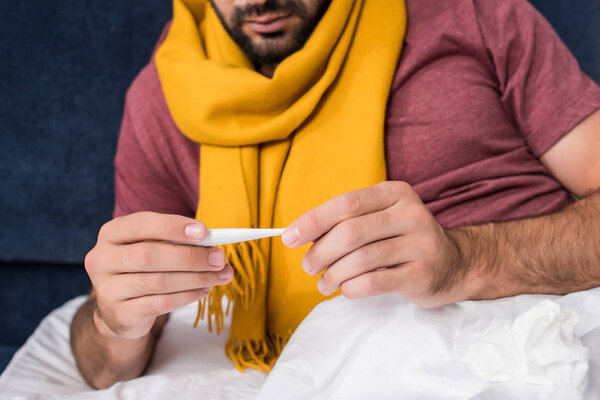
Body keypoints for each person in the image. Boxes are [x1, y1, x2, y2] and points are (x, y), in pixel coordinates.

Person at [70, 0, 600, 390]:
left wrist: (467, 261)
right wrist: (114, 321)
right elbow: (101, 367)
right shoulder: (163, 98)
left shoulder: (474, 15)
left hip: (536, 334)